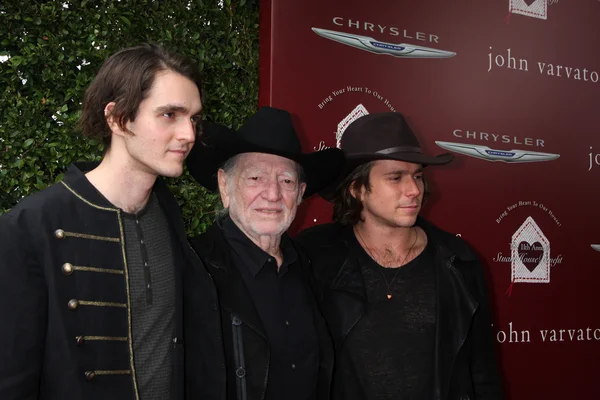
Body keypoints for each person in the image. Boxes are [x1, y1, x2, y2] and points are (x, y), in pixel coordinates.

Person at [0, 43, 219, 400]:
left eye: (193, 118)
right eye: (170, 115)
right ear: (117, 118)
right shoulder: (29, 227)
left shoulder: (167, 213)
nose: (189, 135)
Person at [296, 112, 504, 400]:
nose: (414, 190)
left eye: (417, 176)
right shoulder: (313, 257)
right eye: (396, 178)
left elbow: (482, 375)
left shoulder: (458, 263)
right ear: (357, 188)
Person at [184, 106, 344, 400]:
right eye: (255, 178)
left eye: (286, 181)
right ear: (225, 185)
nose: (272, 194)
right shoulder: (189, 269)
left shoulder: (312, 267)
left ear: (300, 193)